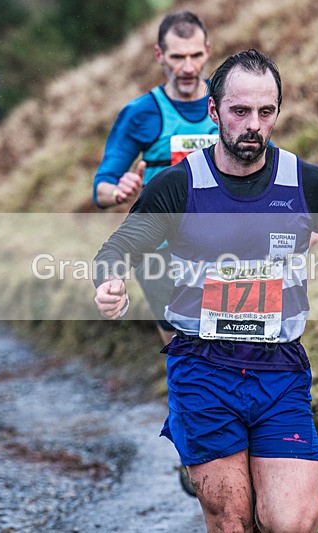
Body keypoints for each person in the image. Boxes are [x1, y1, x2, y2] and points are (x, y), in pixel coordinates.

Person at [93, 50, 318, 532]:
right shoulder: (177, 185)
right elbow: (116, 249)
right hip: (203, 370)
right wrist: (110, 285)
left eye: (266, 113)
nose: (253, 125)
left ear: (277, 113)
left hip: (280, 370)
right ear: (213, 111)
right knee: (232, 522)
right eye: (240, 111)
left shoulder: (306, 182)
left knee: (289, 524)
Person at [92, 11, 217, 346]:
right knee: (184, 348)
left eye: (195, 56)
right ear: (160, 55)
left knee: (230, 352)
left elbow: (271, 166)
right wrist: (117, 192)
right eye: (177, 57)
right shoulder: (141, 113)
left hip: (224, 247)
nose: (188, 68)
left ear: (207, 50)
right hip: (160, 253)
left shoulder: (231, 105)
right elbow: (100, 187)